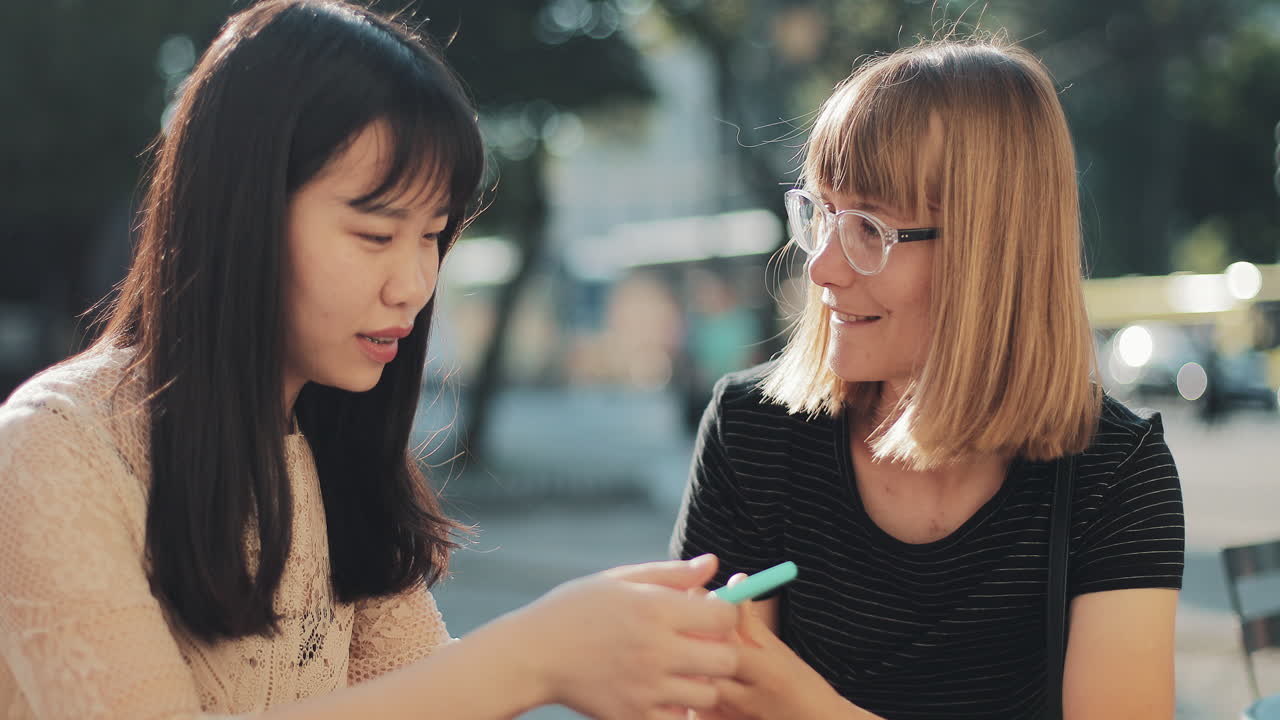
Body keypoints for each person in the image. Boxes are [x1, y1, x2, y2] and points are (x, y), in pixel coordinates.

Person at [0, 2, 741, 718]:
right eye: (376, 235)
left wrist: (597, 652)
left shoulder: (333, 452)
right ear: (244, 214)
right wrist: (533, 657)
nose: (414, 286)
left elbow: (427, 694)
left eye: (433, 237)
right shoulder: (58, 449)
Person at [672, 36, 1185, 720]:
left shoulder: (1115, 473)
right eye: (822, 213)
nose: (821, 267)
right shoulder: (753, 430)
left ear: (990, 252)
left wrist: (803, 705)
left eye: (870, 227)